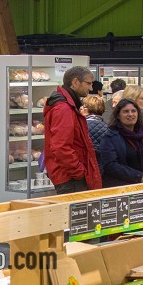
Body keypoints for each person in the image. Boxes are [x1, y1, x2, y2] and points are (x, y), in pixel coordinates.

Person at [42, 66, 102, 194]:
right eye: (88, 83)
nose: (91, 88)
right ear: (75, 82)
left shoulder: (68, 106)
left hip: (69, 176)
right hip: (70, 179)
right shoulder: (64, 108)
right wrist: (79, 172)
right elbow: (61, 147)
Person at [98, 92, 143, 185]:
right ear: (118, 115)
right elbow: (110, 165)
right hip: (121, 187)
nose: (130, 114)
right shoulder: (110, 137)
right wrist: (138, 176)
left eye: (133, 111)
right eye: (126, 111)